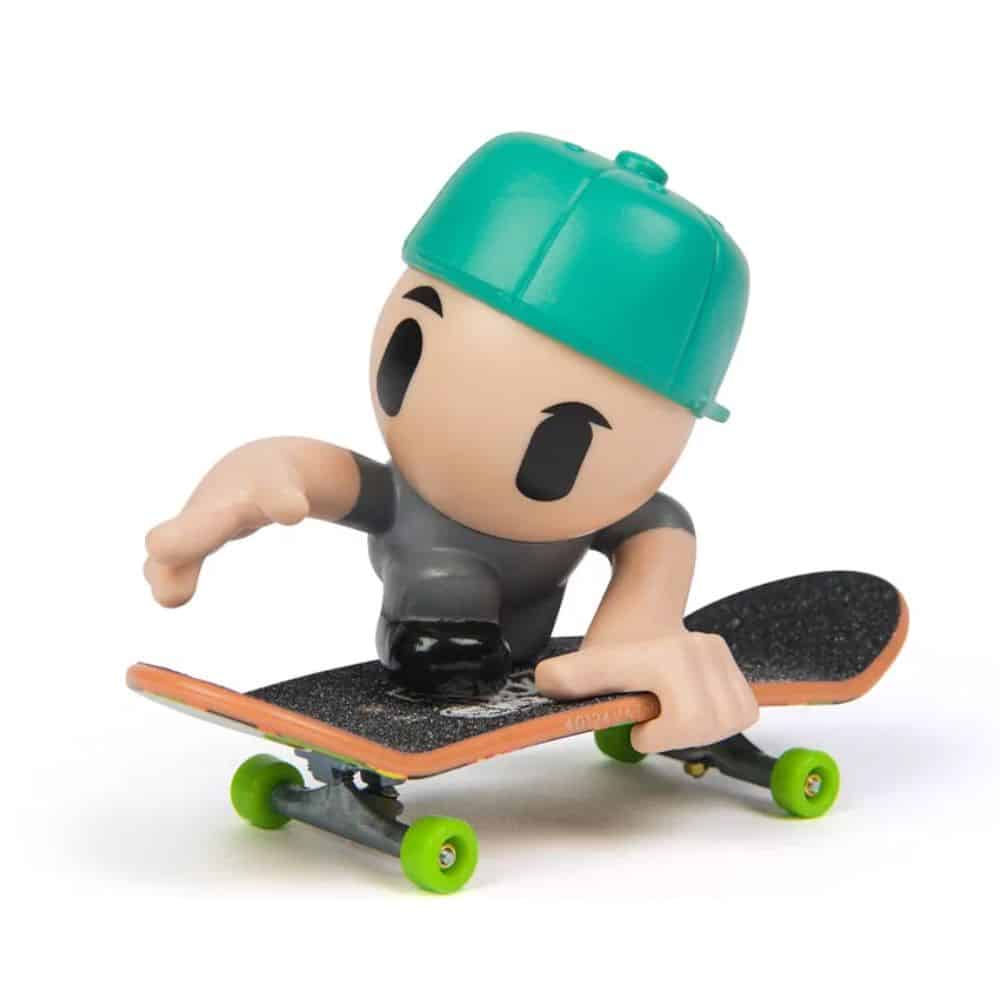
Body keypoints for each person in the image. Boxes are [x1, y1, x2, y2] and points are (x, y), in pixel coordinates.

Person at [143, 132, 759, 754]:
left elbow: (659, 534)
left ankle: (540, 647)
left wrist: (641, 622)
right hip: (433, 593)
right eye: (409, 350)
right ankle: (443, 651)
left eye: (564, 436)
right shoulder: (405, 492)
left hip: (531, 621)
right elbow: (304, 466)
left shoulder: (629, 515)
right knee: (445, 606)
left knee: (659, 528)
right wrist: (240, 486)